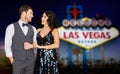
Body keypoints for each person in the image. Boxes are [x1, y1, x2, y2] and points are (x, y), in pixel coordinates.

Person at [4, 5, 37, 74]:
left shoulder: (33, 29)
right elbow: (7, 45)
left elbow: (35, 44)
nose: (32, 15)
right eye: (31, 13)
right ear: (24, 13)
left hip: (31, 62)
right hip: (17, 63)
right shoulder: (11, 27)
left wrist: (34, 57)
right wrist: (12, 60)